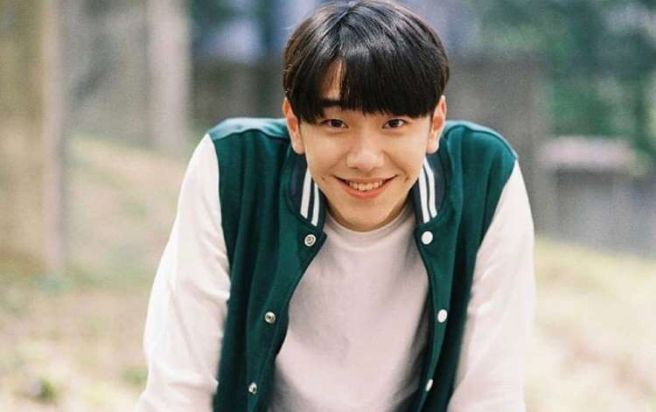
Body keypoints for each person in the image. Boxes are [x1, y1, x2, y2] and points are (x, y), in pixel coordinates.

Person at [134, 1, 535, 411]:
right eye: (336, 123)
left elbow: (490, 394)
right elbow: (179, 389)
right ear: (295, 124)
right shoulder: (236, 166)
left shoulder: (484, 175)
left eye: (394, 124)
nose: (365, 158)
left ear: (435, 124)